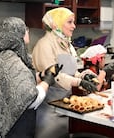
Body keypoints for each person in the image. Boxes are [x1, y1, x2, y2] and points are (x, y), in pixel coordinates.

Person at [0, 17, 61, 138]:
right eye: (25, 29)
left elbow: (20, 82)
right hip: (10, 128)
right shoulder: (11, 62)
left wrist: (42, 74)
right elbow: (30, 100)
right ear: (16, 34)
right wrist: (47, 82)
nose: (27, 31)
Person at [32, 7, 98, 138]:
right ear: (56, 23)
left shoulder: (66, 44)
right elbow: (52, 75)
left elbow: (70, 72)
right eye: (69, 22)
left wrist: (84, 75)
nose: (74, 26)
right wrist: (79, 82)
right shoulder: (44, 44)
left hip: (64, 105)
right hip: (48, 107)